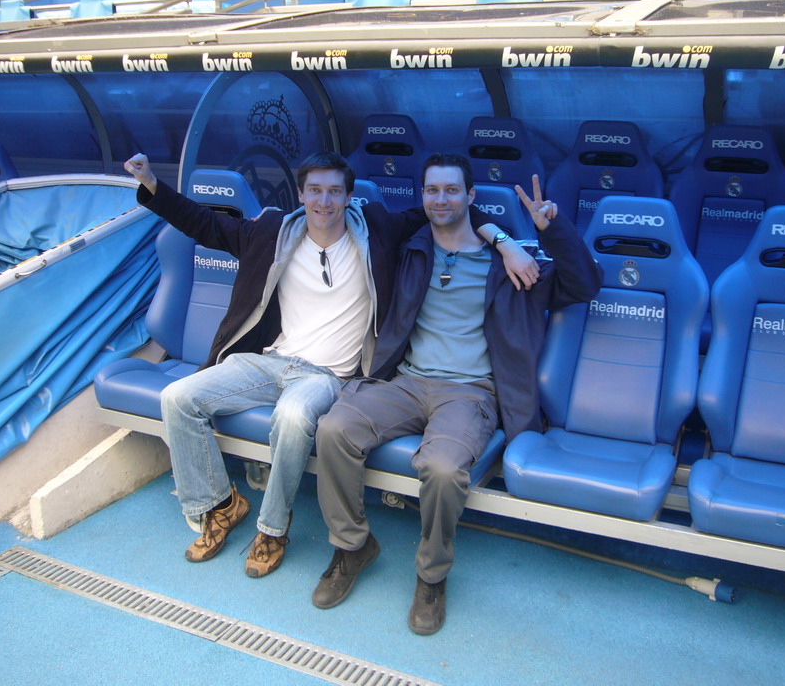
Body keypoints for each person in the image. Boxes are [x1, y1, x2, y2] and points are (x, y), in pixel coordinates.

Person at [123, 151, 535, 578]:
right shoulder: (272, 232)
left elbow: (449, 207)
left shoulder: (377, 229)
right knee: (177, 397)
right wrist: (153, 184)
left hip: (328, 375)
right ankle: (218, 504)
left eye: (335, 191)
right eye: (315, 190)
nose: (324, 201)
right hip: (269, 360)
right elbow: (205, 224)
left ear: (349, 196)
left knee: (294, 414)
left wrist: (504, 242)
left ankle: (272, 529)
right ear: (300, 194)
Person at [311, 153, 603, 634]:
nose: (440, 198)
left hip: (469, 392)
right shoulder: (410, 248)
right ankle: (351, 547)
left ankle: (431, 576)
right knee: (333, 428)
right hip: (405, 381)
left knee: (443, 468)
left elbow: (585, 283)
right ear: (421, 196)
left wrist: (546, 232)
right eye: (431, 190)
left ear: (471, 195)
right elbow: (331, 217)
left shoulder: (515, 265)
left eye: (451, 190)